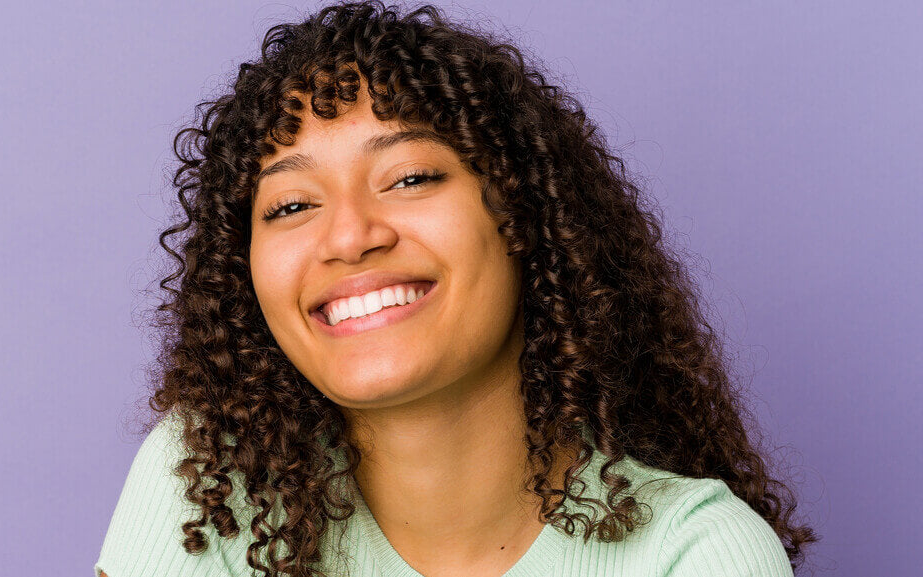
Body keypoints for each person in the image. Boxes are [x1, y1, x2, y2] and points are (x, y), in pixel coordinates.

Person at [95, 2, 818, 576]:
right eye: (290, 206)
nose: (349, 237)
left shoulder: (696, 555)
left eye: (409, 178)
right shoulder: (212, 482)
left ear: (523, 215)